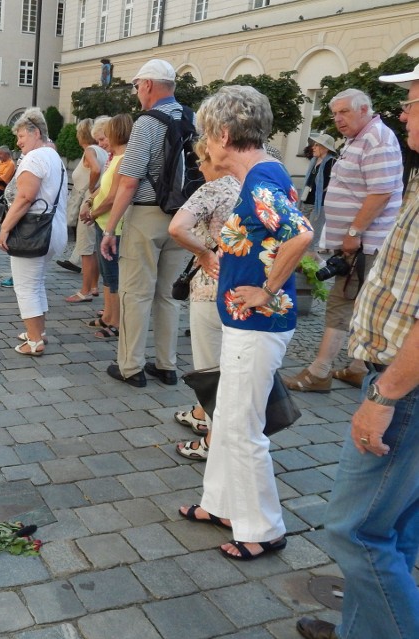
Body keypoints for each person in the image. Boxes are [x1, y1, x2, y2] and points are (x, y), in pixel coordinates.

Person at [295, 63, 419, 639]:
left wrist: (387, 391)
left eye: (414, 99)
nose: (405, 111)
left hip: (405, 381)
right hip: (396, 372)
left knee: (355, 530)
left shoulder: (384, 147)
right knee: (394, 528)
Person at [176, 85, 312, 560]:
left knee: (242, 427)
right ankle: (221, 504)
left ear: (225, 133)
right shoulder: (265, 173)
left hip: (257, 325)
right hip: (246, 324)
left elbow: (300, 234)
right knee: (228, 419)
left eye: (207, 136)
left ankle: (264, 527)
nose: (205, 146)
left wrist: (268, 289)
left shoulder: (260, 183)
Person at [284, 89, 402, 393]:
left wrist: (353, 233)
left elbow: (381, 192)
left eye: (344, 112)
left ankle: (319, 372)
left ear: (364, 109)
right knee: (360, 305)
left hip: (365, 246)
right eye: (334, 113)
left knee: (341, 303)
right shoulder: (360, 139)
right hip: (360, 244)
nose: (337, 119)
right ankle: (357, 367)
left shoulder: (377, 139)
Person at [98, 59, 188, 387]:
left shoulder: (147, 122)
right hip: (181, 218)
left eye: (137, 86)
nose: (137, 93)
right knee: (168, 295)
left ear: (148, 85)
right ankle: (166, 365)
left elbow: (128, 181)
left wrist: (111, 228)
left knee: (135, 292)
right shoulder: (191, 118)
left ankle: (131, 366)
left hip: (147, 215)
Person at [168, 139, 241, 460]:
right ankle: (203, 415)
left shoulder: (213, 190)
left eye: (202, 161)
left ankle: (212, 437)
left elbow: (178, 227)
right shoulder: (256, 184)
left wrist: (203, 251)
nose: (198, 167)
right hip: (244, 288)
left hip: (211, 286)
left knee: (210, 368)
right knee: (230, 363)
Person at [0, 108, 68, 356]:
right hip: (52, 229)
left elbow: (26, 197)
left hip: (34, 230)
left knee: (26, 286)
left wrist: (5, 228)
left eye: (21, 137)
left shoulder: (35, 158)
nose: (18, 142)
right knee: (36, 284)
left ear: (35, 133)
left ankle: (35, 341)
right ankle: (38, 332)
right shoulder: (53, 156)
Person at [81, 113, 131, 339]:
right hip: (104, 221)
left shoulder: (124, 159)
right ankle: (108, 315)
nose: (102, 143)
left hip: (114, 225)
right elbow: (103, 189)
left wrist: (93, 212)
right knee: (108, 276)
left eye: (104, 137)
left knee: (113, 277)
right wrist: (91, 202)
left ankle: (116, 322)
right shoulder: (116, 158)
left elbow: (113, 197)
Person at [64, 117, 108, 304]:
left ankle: (85, 291)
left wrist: (90, 187)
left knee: (85, 247)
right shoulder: (104, 151)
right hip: (100, 201)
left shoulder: (90, 150)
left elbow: (96, 170)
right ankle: (94, 286)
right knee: (95, 246)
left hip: (89, 202)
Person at [299, 132, 337, 252]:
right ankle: (302, 261)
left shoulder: (332, 163)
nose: (313, 148)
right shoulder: (313, 161)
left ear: (325, 148)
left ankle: (310, 264)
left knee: (311, 237)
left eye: (317, 145)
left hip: (318, 205)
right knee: (301, 233)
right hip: (306, 201)